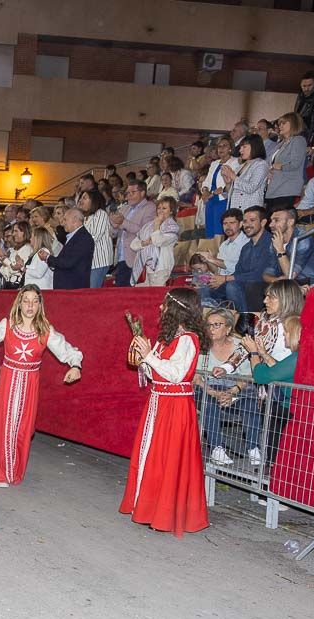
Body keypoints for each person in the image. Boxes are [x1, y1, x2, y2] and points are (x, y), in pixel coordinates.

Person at [121, 288, 209, 536]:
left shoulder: (188, 339)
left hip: (175, 406)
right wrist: (145, 356)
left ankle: (164, 513)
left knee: (168, 458)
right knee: (154, 457)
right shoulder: (166, 339)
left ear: (178, 308)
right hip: (159, 402)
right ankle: (149, 508)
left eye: (165, 305)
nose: (160, 309)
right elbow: (154, 375)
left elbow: (176, 374)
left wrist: (150, 355)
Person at [0, 285, 82, 487]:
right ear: (19, 303)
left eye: (34, 301)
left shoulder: (45, 331)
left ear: (40, 305)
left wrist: (75, 365)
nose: (30, 305)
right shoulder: (7, 326)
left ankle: (12, 470)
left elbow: (68, 351)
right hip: (6, 382)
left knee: (21, 430)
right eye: (26, 300)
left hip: (29, 385)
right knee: (1, 426)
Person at [194, 307, 259, 467]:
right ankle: (217, 448)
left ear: (228, 328)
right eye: (208, 325)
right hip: (207, 389)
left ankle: (253, 447)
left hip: (236, 389)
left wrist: (232, 391)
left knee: (250, 402)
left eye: (217, 324)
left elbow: (250, 375)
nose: (211, 329)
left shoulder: (240, 346)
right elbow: (196, 377)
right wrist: (215, 393)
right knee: (208, 402)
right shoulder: (201, 346)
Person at [247, 314, 302, 473]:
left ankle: (272, 463)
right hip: (292, 404)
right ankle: (272, 463)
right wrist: (263, 353)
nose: (283, 335)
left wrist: (254, 354)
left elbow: (261, 376)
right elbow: (279, 369)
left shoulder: (297, 357)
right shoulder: (295, 356)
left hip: (292, 407)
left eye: (286, 332)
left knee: (272, 412)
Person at [194, 208, 248, 305]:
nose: (228, 226)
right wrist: (207, 261)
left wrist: (212, 259)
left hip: (237, 281)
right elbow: (218, 269)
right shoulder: (224, 245)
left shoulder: (246, 243)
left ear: (240, 224)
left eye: (232, 223)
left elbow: (237, 267)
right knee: (197, 291)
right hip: (221, 281)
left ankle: (237, 317)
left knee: (229, 287)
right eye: (225, 223)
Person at [109, 180, 156, 287]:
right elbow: (113, 234)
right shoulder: (125, 208)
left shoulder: (150, 207)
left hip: (136, 258)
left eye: (132, 192)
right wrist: (113, 224)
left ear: (143, 193)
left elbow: (144, 232)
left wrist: (123, 222)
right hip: (121, 258)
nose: (128, 196)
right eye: (127, 193)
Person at [265, 207, 314, 286]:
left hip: (313, 281)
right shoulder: (275, 240)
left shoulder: (303, 239)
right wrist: (275, 280)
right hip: (292, 282)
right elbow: (268, 271)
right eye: (271, 221)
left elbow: (290, 275)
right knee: (255, 287)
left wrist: (280, 250)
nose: (270, 225)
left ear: (290, 222)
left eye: (276, 220)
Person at [35, 207, 93, 289]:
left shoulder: (83, 238)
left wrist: (48, 257)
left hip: (73, 289)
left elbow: (68, 263)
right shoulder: (75, 236)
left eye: (65, 220)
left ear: (75, 220)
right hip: (68, 287)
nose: (62, 223)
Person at [129, 197, 180, 286]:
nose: (160, 211)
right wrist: (144, 243)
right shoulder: (147, 226)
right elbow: (133, 245)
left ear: (171, 211)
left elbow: (157, 241)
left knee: (157, 295)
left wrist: (157, 224)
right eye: (159, 208)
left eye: (164, 208)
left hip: (161, 268)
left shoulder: (173, 226)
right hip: (145, 267)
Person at [264, 113, 307, 212]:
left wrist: (280, 167)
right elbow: (270, 162)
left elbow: (295, 163)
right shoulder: (281, 143)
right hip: (275, 187)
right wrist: (270, 169)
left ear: (294, 124)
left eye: (283, 123)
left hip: (287, 188)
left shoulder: (298, 140)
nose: (280, 126)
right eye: (279, 124)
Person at [199, 137, 240, 237]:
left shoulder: (235, 162)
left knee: (219, 230)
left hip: (223, 199)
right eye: (219, 146)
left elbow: (233, 181)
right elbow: (207, 181)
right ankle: (209, 251)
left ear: (230, 148)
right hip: (210, 200)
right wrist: (205, 191)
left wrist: (219, 190)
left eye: (224, 146)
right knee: (209, 230)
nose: (221, 148)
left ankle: (219, 251)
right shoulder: (214, 163)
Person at [223, 134, 270, 212]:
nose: (240, 150)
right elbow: (231, 193)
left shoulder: (261, 164)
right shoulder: (240, 166)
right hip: (235, 210)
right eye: (241, 147)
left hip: (250, 210)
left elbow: (251, 187)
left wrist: (232, 176)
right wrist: (228, 182)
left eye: (244, 147)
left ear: (255, 147)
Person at [78, 189, 114, 288]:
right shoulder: (85, 217)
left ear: (93, 200)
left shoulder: (100, 214)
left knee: (92, 290)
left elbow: (94, 237)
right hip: (88, 262)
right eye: (81, 198)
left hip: (99, 261)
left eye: (84, 198)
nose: (81, 200)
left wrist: (77, 247)